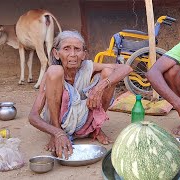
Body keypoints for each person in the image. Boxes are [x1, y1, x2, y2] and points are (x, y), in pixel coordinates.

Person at [28, 30, 132, 159]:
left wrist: (101, 86)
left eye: (77, 49)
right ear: (56, 53)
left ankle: (95, 128)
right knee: (55, 70)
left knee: (108, 72)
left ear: (84, 54)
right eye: (66, 49)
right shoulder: (51, 75)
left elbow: (126, 68)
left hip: (83, 121)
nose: (73, 54)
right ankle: (57, 131)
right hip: (59, 125)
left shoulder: (87, 67)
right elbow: (33, 116)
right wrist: (56, 133)